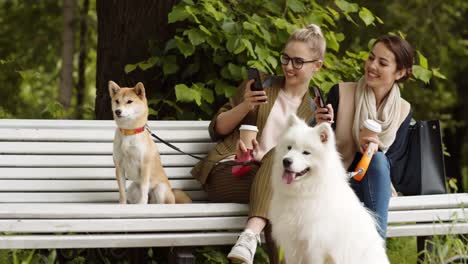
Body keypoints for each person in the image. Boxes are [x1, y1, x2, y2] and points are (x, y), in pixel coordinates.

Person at [191, 24, 326, 264]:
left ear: (317, 65)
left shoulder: (315, 107)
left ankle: (248, 239)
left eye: (297, 61)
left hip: (277, 183)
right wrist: (245, 106)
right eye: (285, 58)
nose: (288, 66)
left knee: (284, 189)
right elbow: (216, 129)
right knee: (284, 173)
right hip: (231, 171)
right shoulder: (260, 85)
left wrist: (325, 131)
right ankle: (251, 234)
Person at [315, 35, 414, 239]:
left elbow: (393, 166)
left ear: (400, 72)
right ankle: (377, 254)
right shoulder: (342, 92)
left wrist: (371, 151)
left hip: (373, 187)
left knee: (378, 160)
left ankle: (374, 252)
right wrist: (319, 127)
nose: (372, 65)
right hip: (337, 180)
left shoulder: (403, 110)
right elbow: (318, 151)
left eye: (382, 63)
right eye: (371, 58)